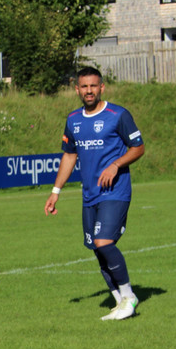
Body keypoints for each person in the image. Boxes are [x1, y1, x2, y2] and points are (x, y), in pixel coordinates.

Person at [45, 65, 145, 321]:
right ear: (77, 89)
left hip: (115, 192)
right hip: (89, 195)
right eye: (84, 87)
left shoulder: (118, 115)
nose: (89, 91)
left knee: (103, 242)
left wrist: (116, 164)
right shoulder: (73, 120)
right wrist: (56, 191)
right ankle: (120, 302)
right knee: (95, 247)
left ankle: (129, 295)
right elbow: (69, 156)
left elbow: (138, 147)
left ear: (102, 87)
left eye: (93, 86)